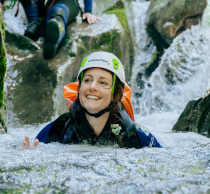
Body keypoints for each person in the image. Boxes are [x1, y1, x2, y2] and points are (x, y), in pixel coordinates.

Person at [21, 52, 161, 148]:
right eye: (87, 80)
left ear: (117, 94)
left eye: (103, 83)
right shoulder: (59, 128)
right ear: (79, 87)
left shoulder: (134, 135)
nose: (92, 87)